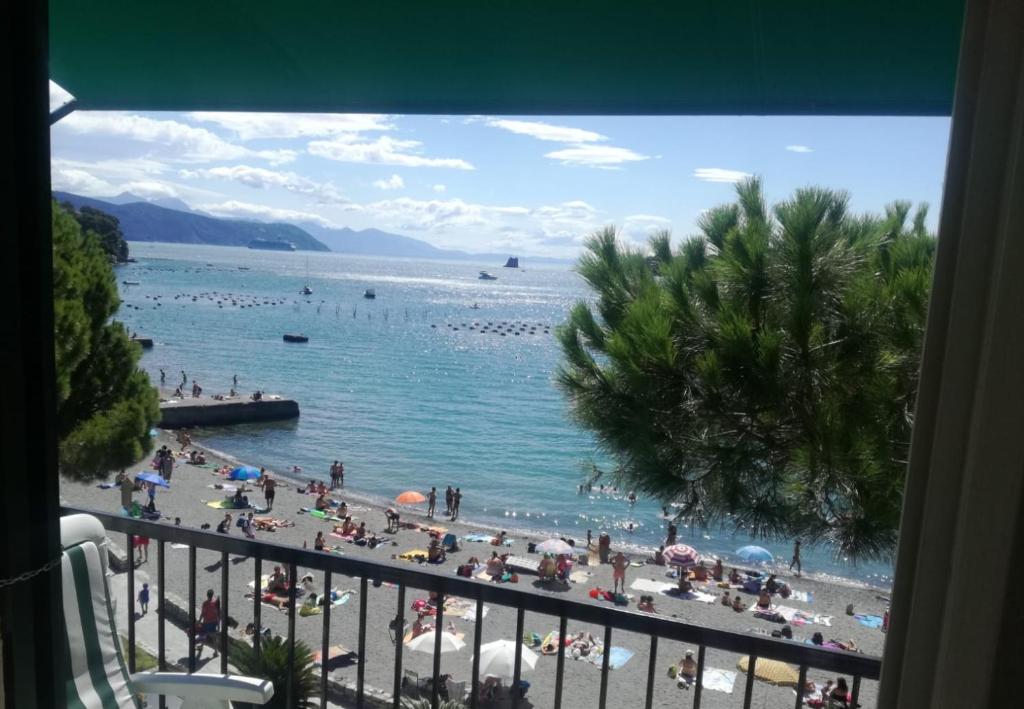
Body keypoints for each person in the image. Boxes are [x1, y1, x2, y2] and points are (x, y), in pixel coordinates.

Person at [198, 589, 221, 657]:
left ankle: (201, 647)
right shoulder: (215, 603)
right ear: (212, 595)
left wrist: (199, 621)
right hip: (214, 623)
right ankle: (216, 652)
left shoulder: (205, 603)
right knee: (213, 638)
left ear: (207, 595)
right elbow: (217, 615)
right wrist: (219, 625)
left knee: (203, 635)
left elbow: (202, 613)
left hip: (206, 622)